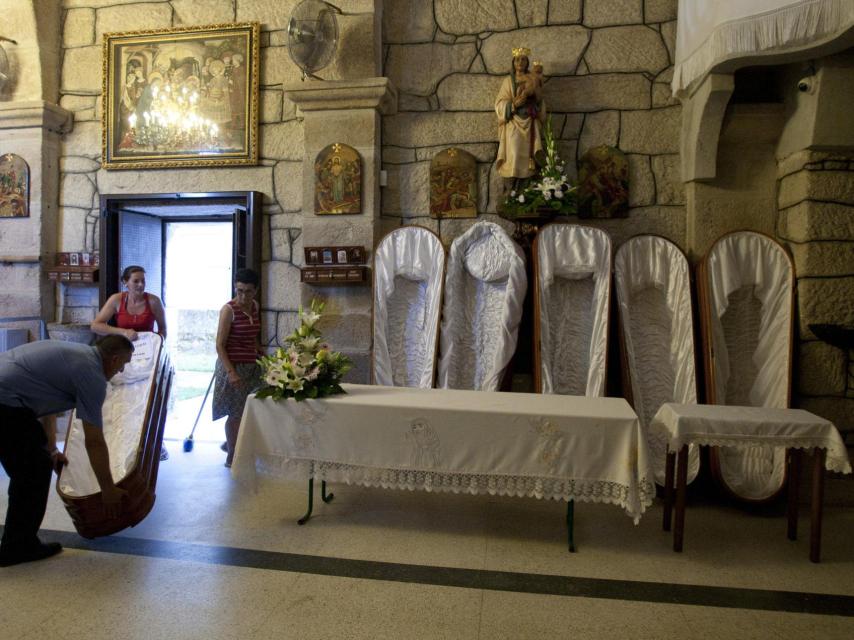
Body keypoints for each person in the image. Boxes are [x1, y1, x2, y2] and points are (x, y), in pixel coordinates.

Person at [0, 335, 134, 567]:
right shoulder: (92, 375)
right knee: (32, 472)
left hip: (10, 398)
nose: (121, 370)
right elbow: (94, 440)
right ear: (114, 359)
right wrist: (108, 489)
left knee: (34, 464)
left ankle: (18, 543)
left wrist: (52, 450)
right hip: (5, 402)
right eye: (124, 363)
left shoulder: (77, 355)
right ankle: (17, 547)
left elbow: (45, 405)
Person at [91, 265, 168, 460]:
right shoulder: (117, 300)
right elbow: (96, 325)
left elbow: (163, 330)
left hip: (146, 356)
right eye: (136, 281)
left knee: (148, 397)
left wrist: (154, 345)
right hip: (123, 357)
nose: (140, 285)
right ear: (126, 282)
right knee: (123, 397)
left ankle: (154, 441)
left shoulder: (153, 301)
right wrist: (122, 332)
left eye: (143, 281)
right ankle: (121, 436)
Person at [213, 268, 262, 468]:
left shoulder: (255, 307)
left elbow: (252, 336)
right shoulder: (228, 310)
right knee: (235, 412)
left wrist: (262, 354)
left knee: (249, 409)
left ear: (256, 290)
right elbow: (219, 345)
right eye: (239, 291)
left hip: (251, 366)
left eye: (248, 291)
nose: (243, 296)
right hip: (233, 367)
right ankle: (232, 455)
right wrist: (231, 373)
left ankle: (241, 446)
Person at [495, 46, 546, 181]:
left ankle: (528, 186)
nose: (520, 62)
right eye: (517, 59)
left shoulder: (533, 79)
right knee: (514, 151)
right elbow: (499, 103)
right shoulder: (508, 81)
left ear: (527, 62)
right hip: (513, 122)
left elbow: (540, 100)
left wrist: (536, 90)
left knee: (530, 154)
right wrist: (513, 105)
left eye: (523, 59)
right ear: (513, 62)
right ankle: (512, 185)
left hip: (530, 121)